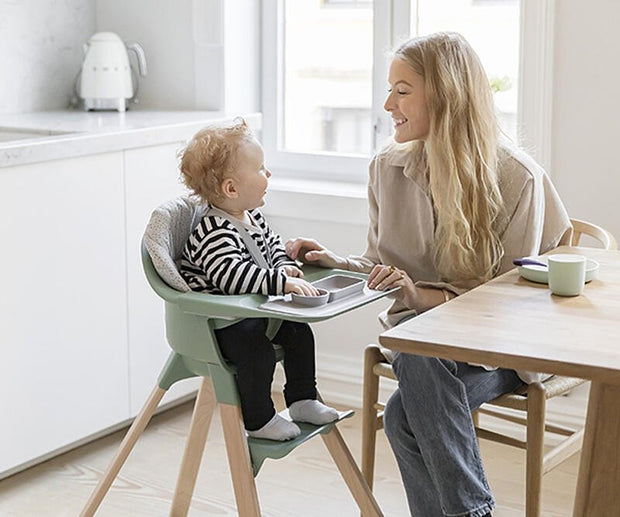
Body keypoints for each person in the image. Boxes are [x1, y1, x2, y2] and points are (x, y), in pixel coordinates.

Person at [286, 32, 572, 516]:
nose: (386, 104)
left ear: (445, 93)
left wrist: (418, 297)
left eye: (402, 90)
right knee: (414, 364)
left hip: (500, 348)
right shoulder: (386, 169)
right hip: (424, 344)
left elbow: (507, 304)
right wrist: (333, 261)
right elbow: (384, 264)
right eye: (389, 89)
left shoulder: (517, 178)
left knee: (402, 412)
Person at [179, 119, 339, 441]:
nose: (268, 175)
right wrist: (281, 283)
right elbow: (231, 277)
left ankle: (302, 398)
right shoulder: (213, 231)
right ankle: (259, 419)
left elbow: (273, 250)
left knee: (299, 332)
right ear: (232, 189)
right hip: (222, 322)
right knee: (258, 354)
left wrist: (286, 268)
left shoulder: (253, 217)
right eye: (262, 169)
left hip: (253, 313)